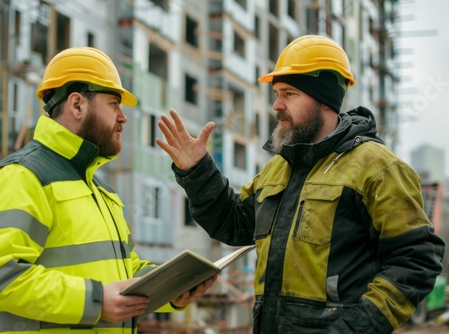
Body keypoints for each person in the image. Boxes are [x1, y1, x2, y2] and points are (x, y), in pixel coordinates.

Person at [156, 35, 446, 333]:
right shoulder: (277, 170)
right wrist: (197, 170)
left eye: (289, 93)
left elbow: (417, 260)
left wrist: (356, 328)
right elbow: (232, 224)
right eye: (277, 93)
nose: (276, 105)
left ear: (323, 100)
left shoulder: (378, 168)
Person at [0, 47, 216, 333]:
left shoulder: (103, 191)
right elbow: (1, 277)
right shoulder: (19, 177)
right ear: (77, 105)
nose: (123, 118)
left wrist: (173, 288)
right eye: (114, 104)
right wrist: (95, 302)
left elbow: (126, 271)